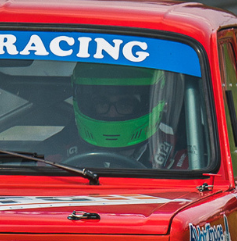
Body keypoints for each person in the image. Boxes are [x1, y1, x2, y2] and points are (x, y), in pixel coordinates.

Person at [58, 62, 188, 170]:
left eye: (125, 105)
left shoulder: (179, 156)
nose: (112, 114)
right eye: (102, 104)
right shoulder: (57, 152)